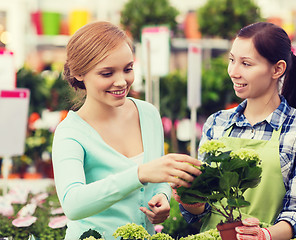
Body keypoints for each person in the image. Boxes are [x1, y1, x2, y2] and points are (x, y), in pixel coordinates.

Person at [51, 21, 202, 240]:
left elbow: (158, 177)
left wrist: (162, 196)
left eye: (128, 69)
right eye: (107, 73)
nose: (121, 81)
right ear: (80, 73)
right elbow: (73, 204)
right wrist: (139, 174)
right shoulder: (70, 133)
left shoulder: (148, 114)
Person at [177, 22, 296, 240]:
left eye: (246, 64)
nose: (233, 72)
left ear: (278, 69)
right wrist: (191, 200)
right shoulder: (217, 123)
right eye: (232, 60)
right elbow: (204, 212)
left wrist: (264, 235)